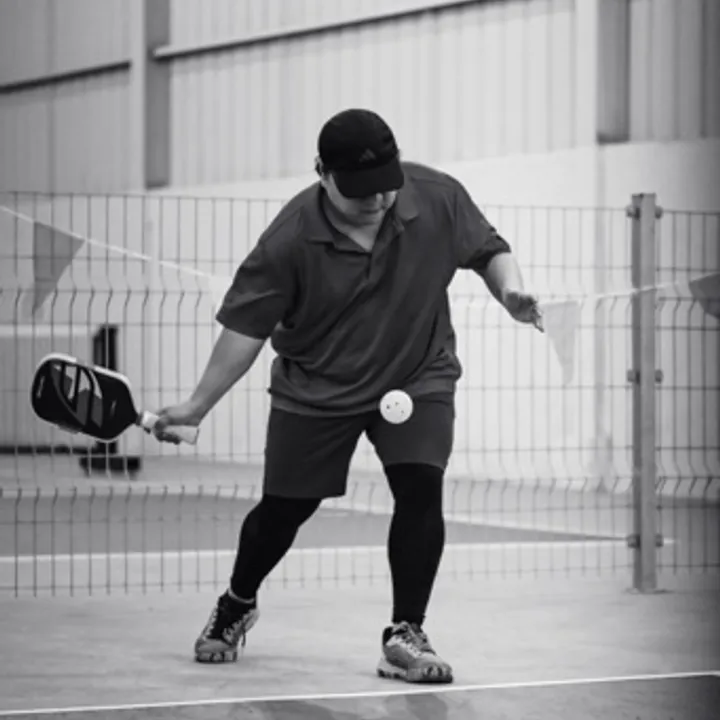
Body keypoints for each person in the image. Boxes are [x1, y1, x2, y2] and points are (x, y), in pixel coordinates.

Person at [152, 108, 543, 684]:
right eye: (362, 191)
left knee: (421, 486)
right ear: (323, 174)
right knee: (285, 510)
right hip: (318, 386)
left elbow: (488, 249)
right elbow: (245, 330)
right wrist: (196, 405)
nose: (379, 200)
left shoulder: (436, 196)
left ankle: (405, 633)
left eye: (387, 185)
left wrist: (510, 293)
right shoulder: (289, 239)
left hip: (417, 372)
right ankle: (238, 600)